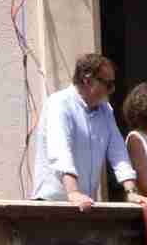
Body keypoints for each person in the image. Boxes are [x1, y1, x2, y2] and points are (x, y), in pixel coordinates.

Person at [31, 53, 136, 207]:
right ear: (87, 80)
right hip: (53, 203)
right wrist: (73, 192)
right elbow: (60, 151)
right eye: (108, 84)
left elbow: (118, 151)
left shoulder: (105, 110)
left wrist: (131, 192)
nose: (112, 90)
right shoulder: (59, 103)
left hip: (85, 203)